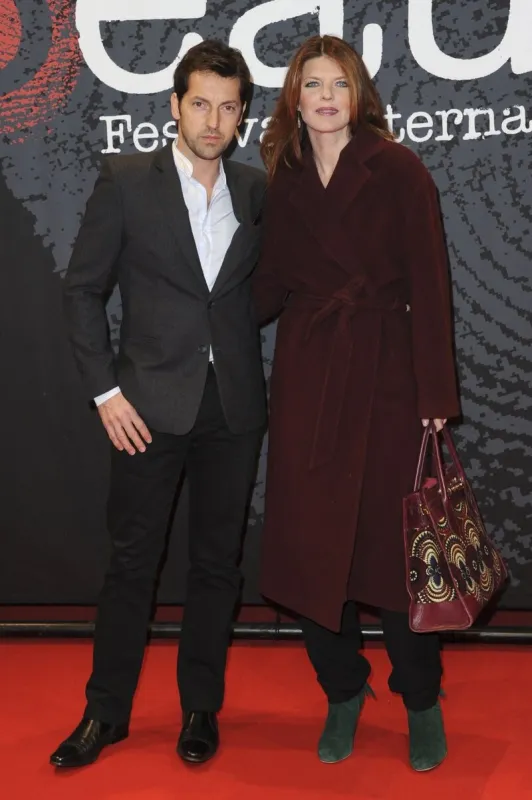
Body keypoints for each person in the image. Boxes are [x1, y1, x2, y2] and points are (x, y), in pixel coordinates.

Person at [51, 40, 267, 769]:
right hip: (145, 406)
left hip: (232, 409)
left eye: (228, 106)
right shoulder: (126, 182)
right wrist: (106, 392)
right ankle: (105, 712)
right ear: (174, 105)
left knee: (217, 566)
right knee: (131, 565)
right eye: (200, 103)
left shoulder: (254, 190)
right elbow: (82, 291)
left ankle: (200, 709)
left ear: (242, 115)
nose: (213, 119)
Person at [253, 35, 460, 772]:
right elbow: (269, 283)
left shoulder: (399, 169)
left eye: (339, 84)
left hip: (391, 380)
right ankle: (343, 692)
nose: (327, 97)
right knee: (312, 554)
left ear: (358, 93)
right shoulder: (283, 178)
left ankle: (421, 698)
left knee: (396, 558)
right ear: (295, 99)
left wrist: (436, 393)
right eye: (313, 85)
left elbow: (432, 284)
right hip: (311, 376)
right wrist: (201, 316)